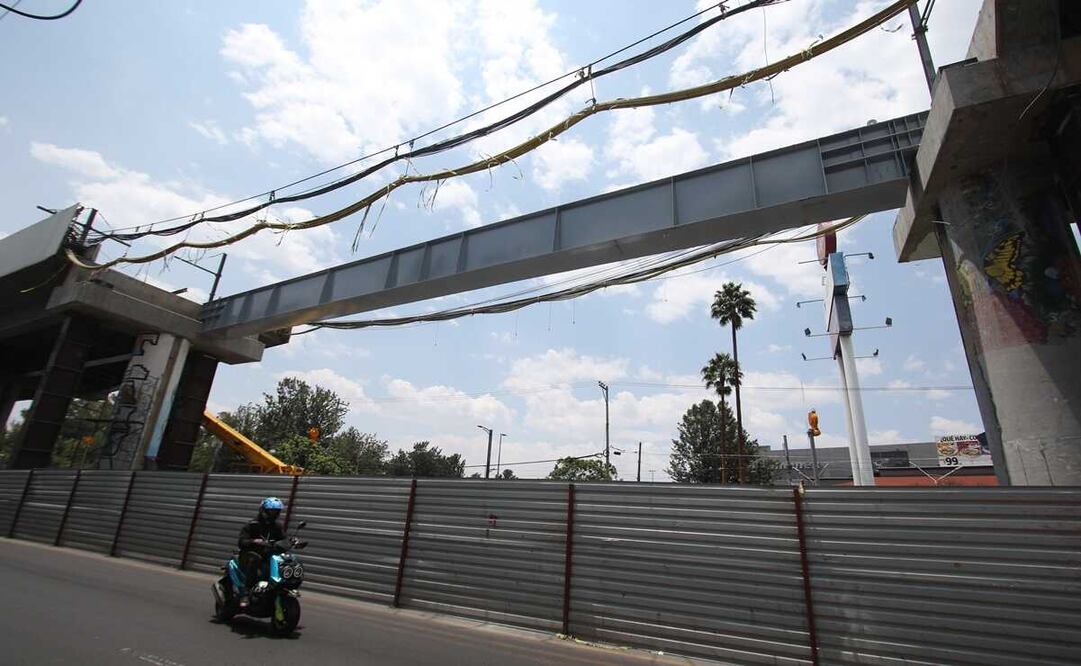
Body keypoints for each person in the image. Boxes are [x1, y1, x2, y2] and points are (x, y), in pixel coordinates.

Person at [236, 497, 286, 607]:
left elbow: (282, 540)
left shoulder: (277, 526)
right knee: (254, 559)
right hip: (248, 555)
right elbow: (241, 541)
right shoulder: (252, 525)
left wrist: (291, 542)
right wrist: (253, 541)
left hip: (267, 556)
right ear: (263, 510)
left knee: (287, 560)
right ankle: (245, 593)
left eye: (276, 511)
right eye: (271, 511)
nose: (274, 514)